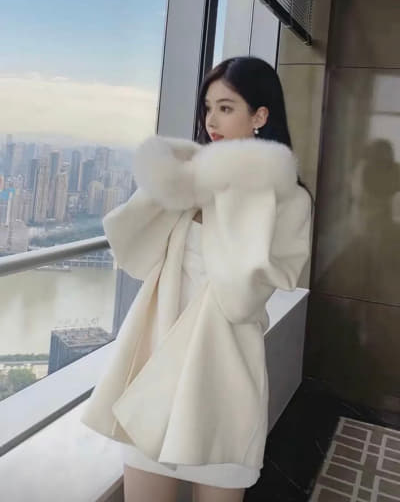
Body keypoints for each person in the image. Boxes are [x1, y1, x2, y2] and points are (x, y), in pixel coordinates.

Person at [80, 56, 312, 502]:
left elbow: (240, 296)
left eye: (226, 108)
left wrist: (233, 189)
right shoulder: (193, 184)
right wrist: (172, 177)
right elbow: (131, 247)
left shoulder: (288, 200)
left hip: (222, 384)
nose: (211, 121)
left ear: (260, 116)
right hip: (153, 374)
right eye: (208, 108)